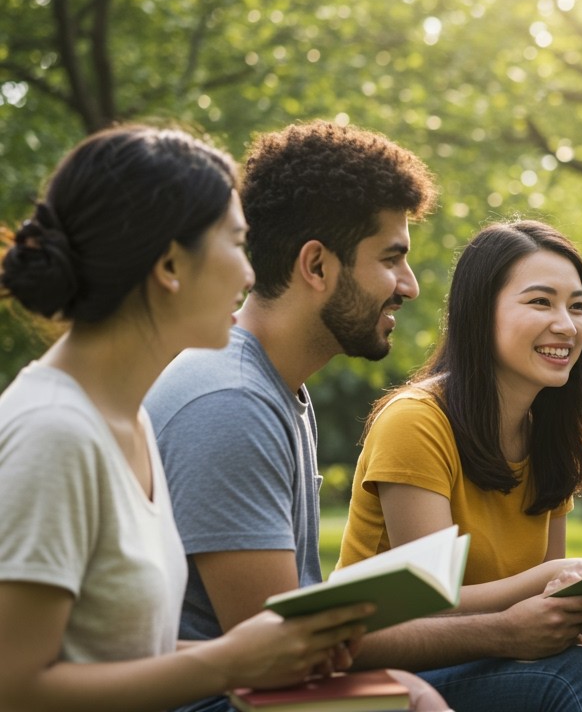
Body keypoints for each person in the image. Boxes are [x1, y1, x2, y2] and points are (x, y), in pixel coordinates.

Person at [144, 122, 582, 712]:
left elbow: (304, 621)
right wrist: (496, 637)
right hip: (223, 701)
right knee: (562, 683)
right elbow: (277, 657)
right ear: (317, 266)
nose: (411, 286)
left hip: (270, 684)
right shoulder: (230, 401)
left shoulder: (275, 392)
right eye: (392, 259)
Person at [0, 125, 385, 711]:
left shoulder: (128, 423)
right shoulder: (55, 433)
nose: (251, 274)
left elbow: (115, 655)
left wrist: (267, 652)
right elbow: (16, 687)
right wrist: (229, 661)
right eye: (235, 244)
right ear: (172, 265)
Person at [336, 219, 582, 709]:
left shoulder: (549, 437)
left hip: (476, 658)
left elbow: (539, 601)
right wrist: (549, 579)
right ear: (480, 313)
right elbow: (428, 602)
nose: (566, 324)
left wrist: (581, 616)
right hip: (387, 667)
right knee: (567, 680)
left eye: (577, 307)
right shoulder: (416, 422)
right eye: (540, 302)